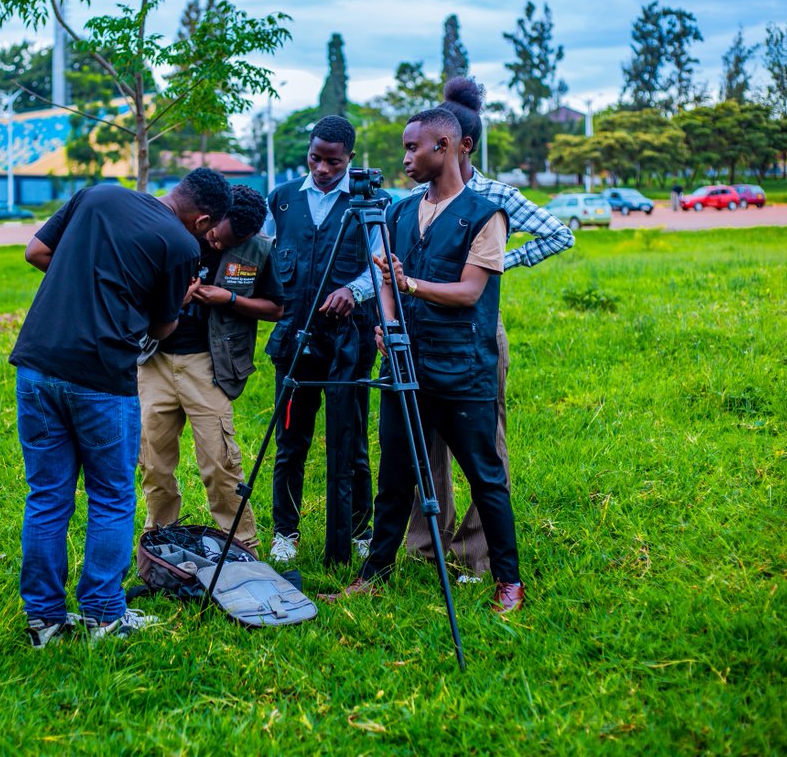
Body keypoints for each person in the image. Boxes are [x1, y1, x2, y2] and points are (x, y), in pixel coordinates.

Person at [11, 168, 232, 646]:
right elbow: (165, 327)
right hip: (101, 378)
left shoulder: (99, 193)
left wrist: (84, 290)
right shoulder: (182, 245)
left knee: (48, 495)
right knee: (111, 497)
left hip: (36, 363)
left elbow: (37, 251)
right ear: (204, 219)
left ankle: (44, 620)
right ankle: (104, 616)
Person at [321, 107, 525, 614]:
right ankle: (376, 572)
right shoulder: (397, 212)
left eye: (415, 148)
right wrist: (389, 322)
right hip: (403, 365)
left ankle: (509, 581)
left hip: (461, 368)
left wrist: (408, 283)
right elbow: (386, 278)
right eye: (405, 148)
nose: (406, 157)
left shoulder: (485, 214)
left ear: (449, 147)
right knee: (395, 474)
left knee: (485, 474)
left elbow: (469, 292)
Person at [404, 77, 574, 579]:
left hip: (475, 332)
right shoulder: (416, 196)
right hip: (418, 329)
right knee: (422, 441)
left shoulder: (493, 196)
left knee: (484, 445)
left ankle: (476, 554)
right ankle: (425, 546)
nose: (412, 155)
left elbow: (559, 234)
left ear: (459, 144)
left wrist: (502, 262)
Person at [137, 185, 282, 560]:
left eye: (230, 242)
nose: (217, 245)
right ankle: (161, 542)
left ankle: (241, 547)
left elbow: (276, 308)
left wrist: (229, 299)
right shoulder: (174, 233)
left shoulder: (258, 250)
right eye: (216, 235)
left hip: (209, 364)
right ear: (210, 218)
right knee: (154, 461)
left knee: (220, 461)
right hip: (154, 360)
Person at [262, 115, 382, 566]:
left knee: (351, 440)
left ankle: (358, 531)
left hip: (349, 341)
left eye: (333, 161)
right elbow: (270, 258)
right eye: (316, 158)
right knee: (290, 440)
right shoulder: (284, 200)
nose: (323, 169)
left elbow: (382, 265)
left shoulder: (370, 202)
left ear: (350, 159)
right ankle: (285, 533)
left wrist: (355, 291)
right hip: (294, 339)